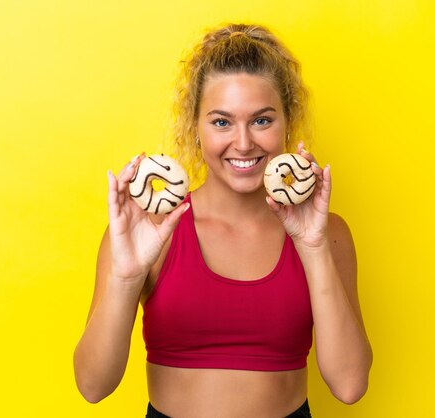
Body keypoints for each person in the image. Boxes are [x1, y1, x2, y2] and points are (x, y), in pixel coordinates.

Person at [73, 23, 373, 417]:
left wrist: (313, 247)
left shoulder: (326, 233)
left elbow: (349, 385)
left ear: (288, 123)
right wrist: (126, 277)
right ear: (195, 128)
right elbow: (93, 386)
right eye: (221, 122)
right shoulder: (147, 231)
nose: (244, 142)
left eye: (262, 120)